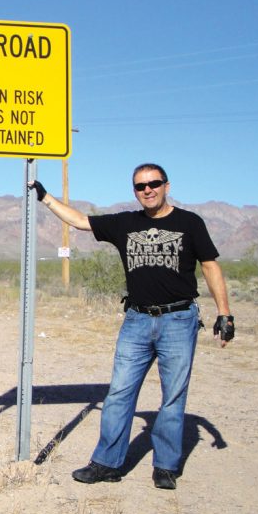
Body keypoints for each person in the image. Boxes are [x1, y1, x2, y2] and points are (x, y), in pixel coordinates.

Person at [29, 163, 234, 490]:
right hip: (137, 321)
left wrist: (225, 313)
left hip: (179, 320)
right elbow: (81, 221)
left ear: (166, 185)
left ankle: (165, 466)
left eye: (153, 184)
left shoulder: (190, 223)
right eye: (140, 186)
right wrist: (45, 198)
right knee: (120, 393)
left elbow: (210, 265)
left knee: (173, 396)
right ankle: (106, 463)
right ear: (134, 191)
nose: (147, 190)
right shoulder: (125, 222)